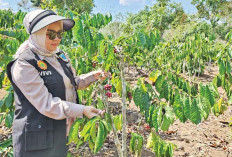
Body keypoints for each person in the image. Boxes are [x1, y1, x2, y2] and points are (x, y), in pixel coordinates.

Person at [6, 9, 106, 157]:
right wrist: (82, 110)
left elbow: (70, 83)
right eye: (51, 34)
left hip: (59, 133)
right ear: (37, 34)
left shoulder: (59, 56)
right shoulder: (24, 63)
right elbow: (46, 103)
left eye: (60, 34)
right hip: (35, 141)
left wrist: (92, 76)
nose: (57, 39)